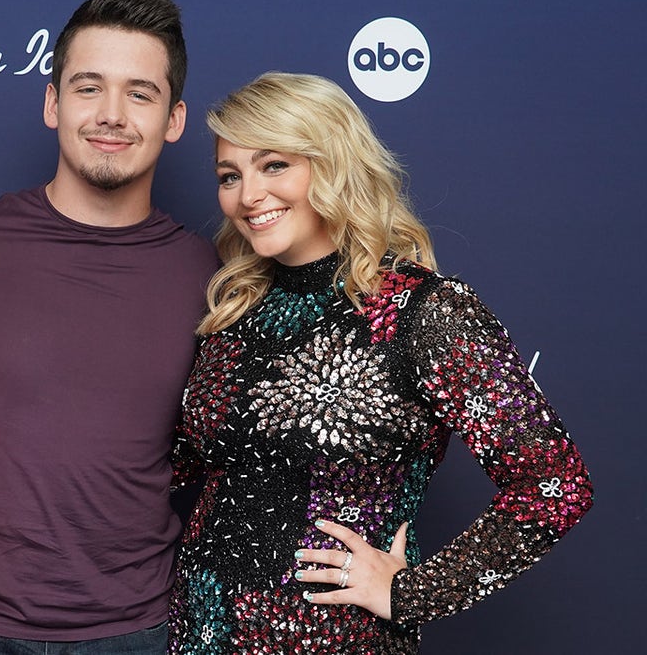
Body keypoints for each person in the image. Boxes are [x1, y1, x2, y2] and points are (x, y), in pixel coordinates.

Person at [168, 72, 594, 653]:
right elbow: (174, 470)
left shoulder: (419, 310)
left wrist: (414, 594)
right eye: (229, 176)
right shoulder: (231, 309)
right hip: (201, 628)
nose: (247, 196)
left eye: (274, 166)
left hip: (336, 638)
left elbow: (555, 485)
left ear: (334, 163)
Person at [0, 0, 219, 654]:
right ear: (53, 102)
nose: (111, 113)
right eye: (89, 86)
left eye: (140, 93)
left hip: (136, 629)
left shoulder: (213, 278)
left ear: (174, 118)